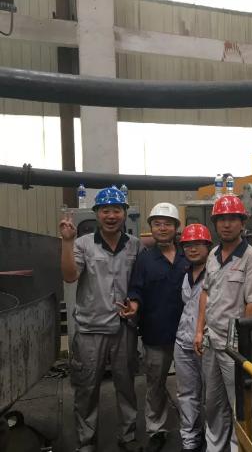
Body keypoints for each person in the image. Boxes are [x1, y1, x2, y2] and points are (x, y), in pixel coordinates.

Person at [59, 187, 142, 452]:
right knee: (86, 388)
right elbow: (70, 276)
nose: (111, 216)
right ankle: (86, 441)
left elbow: (139, 282)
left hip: (124, 327)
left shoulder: (134, 245)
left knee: (126, 385)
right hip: (90, 328)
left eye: (116, 210)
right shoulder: (83, 244)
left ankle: (128, 436)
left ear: (124, 214)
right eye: (105, 210)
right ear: (96, 214)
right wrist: (67, 242)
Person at [193, 195, 252, 452]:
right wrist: (199, 330)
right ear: (215, 223)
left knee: (240, 404)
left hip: (234, 345)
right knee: (213, 402)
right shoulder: (213, 255)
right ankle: (215, 447)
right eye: (221, 219)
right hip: (211, 340)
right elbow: (205, 293)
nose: (226, 224)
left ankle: (240, 448)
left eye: (232, 219)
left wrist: (241, 342)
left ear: (242, 223)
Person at [127, 202, 188, 452]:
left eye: (167, 224)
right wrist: (133, 306)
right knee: (155, 384)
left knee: (190, 385)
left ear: (176, 228)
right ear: (151, 228)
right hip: (155, 332)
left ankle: (191, 428)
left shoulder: (189, 255)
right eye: (157, 224)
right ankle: (156, 429)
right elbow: (136, 289)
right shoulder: (144, 260)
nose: (162, 228)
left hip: (187, 334)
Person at [175, 224, 213, 452]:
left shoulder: (216, 272)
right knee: (187, 394)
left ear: (208, 246)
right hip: (183, 342)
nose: (192, 249)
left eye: (198, 244)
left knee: (212, 396)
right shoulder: (185, 273)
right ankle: (190, 439)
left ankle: (213, 440)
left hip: (208, 344)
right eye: (188, 245)